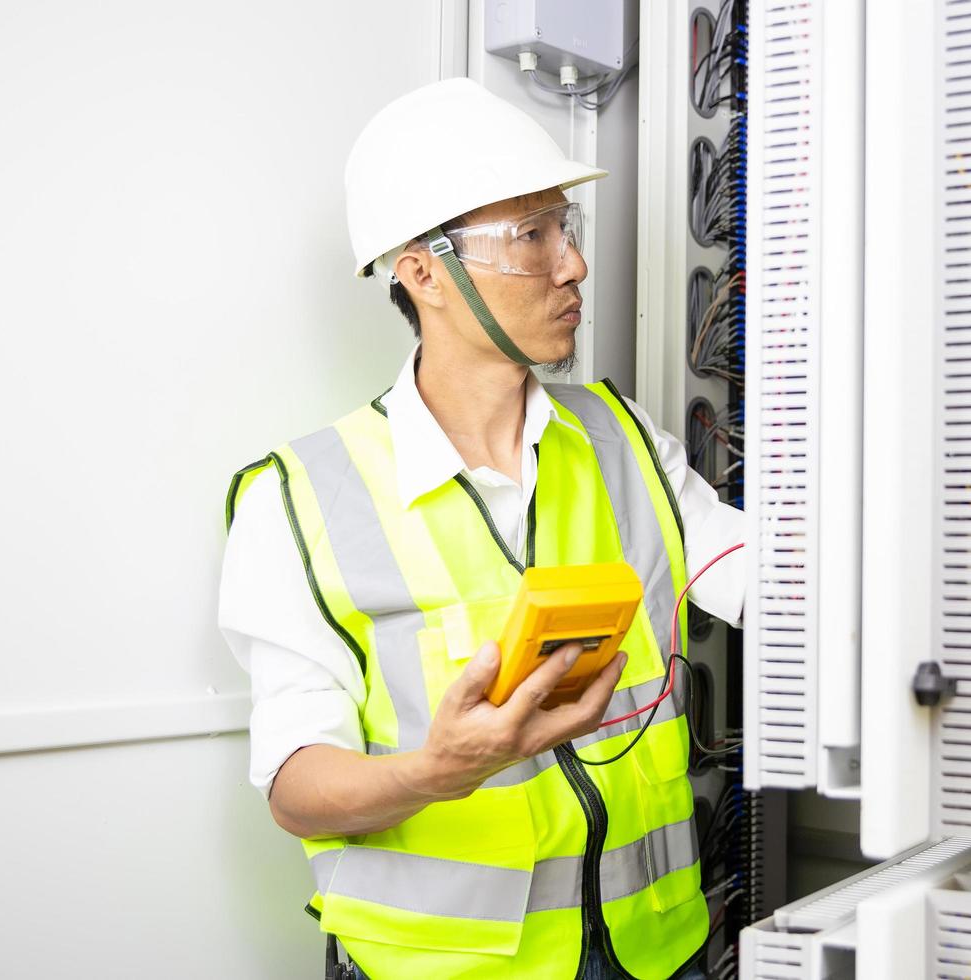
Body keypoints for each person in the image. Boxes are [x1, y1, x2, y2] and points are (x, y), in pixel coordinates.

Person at [219, 78, 741, 980]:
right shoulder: (299, 498)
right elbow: (298, 788)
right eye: (530, 236)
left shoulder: (624, 439)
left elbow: (767, 576)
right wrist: (437, 769)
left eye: (564, 227)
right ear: (423, 270)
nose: (571, 264)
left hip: (657, 950)